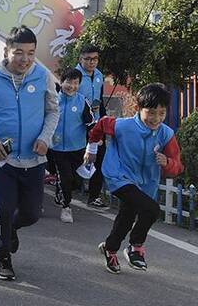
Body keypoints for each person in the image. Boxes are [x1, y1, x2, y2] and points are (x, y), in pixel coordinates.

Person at [0, 26, 59, 281]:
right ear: (6, 51)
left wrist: (45, 138)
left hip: (34, 158)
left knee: (31, 213)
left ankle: (9, 230)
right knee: (4, 209)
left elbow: (53, 111)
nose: (25, 59)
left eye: (30, 53)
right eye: (19, 53)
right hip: (2, 159)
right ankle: (3, 257)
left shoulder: (42, 76)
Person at [85, 83, 183, 274]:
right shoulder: (122, 126)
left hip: (146, 183)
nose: (156, 118)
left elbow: (177, 166)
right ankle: (136, 247)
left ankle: (110, 248)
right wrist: (92, 147)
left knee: (127, 217)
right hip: (120, 176)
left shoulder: (166, 134)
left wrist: (167, 162)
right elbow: (102, 123)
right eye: (151, 112)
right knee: (152, 210)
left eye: (161, 113)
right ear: (138, 109)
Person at [50, 68, 94, 223]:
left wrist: (95, 138)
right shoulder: (53, 100)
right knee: (66, 177)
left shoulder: (82, 101)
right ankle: (66, 207)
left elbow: (90, 123)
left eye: (76, 83)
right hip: (57, 147)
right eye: (69, 82)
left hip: (78, 147)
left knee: (75, 180)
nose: (72, 86)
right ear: (62, 82)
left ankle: (60, 192)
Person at [76, 45, 108, 209]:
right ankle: (67, 192)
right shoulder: (74, 76)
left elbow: (100, 100)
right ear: (80, 59)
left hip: (96, 123)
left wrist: (103, 120)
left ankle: (94, 196)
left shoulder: (99, 75)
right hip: (77, 124)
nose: (91, 62)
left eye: (94, 58)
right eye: (87, 59)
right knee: (76, 157)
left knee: (100, 156)